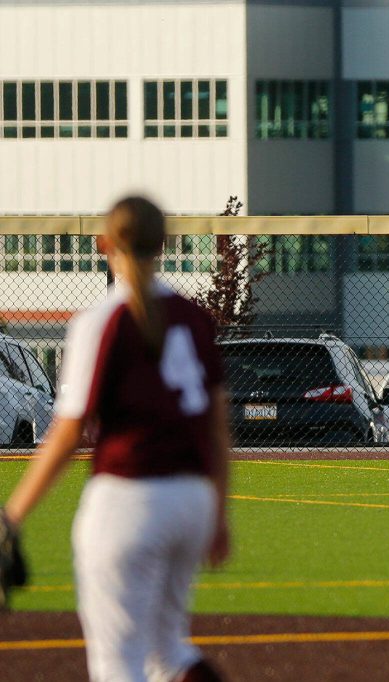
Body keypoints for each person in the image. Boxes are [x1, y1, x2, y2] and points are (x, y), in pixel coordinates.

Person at [2, 196, 231, 682]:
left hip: (130, 499)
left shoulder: (103, 320)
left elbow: (68, 432)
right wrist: (219, 511)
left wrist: (12, 515)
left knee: (117, 665)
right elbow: (216, 425)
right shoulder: (192, 318)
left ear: (103, 244)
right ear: (164, 245)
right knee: (169, 654)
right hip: (192, 500)